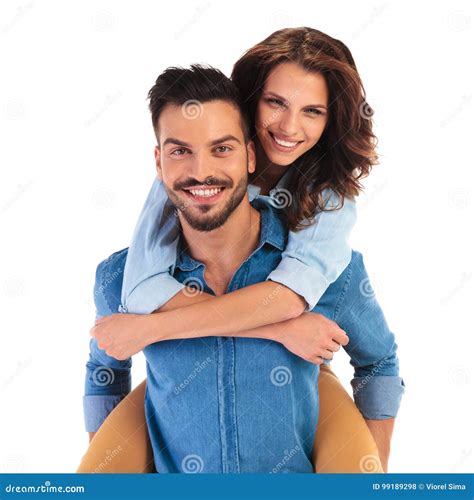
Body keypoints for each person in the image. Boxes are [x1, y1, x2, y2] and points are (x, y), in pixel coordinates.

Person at [79, 63, 404, 473]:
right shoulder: (118, 278)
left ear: (251, 155)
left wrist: (373, 472)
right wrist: (106, 461)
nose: (201, 172)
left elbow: (378, 363)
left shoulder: (329, 271)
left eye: (222, 149)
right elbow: (105, 367)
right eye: (181, 151)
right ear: (158, 162)